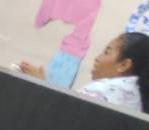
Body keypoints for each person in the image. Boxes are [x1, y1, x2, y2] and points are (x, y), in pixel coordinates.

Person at [20, 32, 149, 113]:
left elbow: (59, 117)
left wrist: (41, 85)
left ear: (124, 65)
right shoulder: (136, 97)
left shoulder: (107, 89)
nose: (97, 58)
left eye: (106, 52)